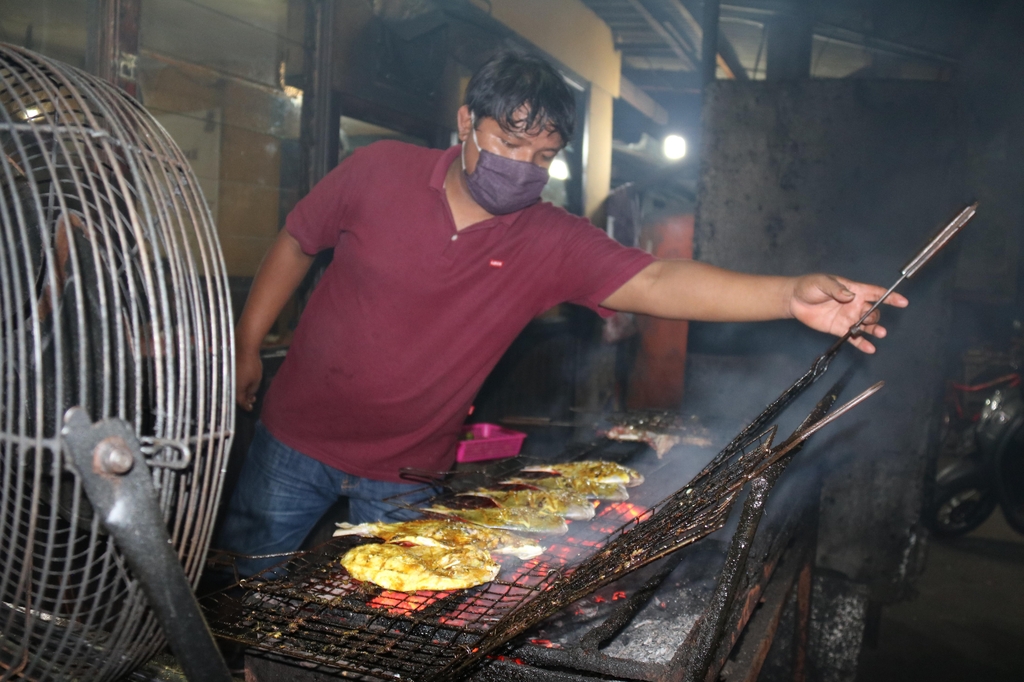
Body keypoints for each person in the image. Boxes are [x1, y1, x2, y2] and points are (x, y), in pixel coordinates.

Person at [216, 51, 907, 577]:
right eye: (511, 144)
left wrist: (788, 296)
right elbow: (297, 240)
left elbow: (660, 280)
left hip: (407, 476)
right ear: (466, 123)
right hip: (295, 442)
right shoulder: (378, 172)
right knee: (250, 590)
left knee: (388, 628)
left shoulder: (547, 237)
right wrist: (249, 344)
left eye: (543, 155)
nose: (524, 166)